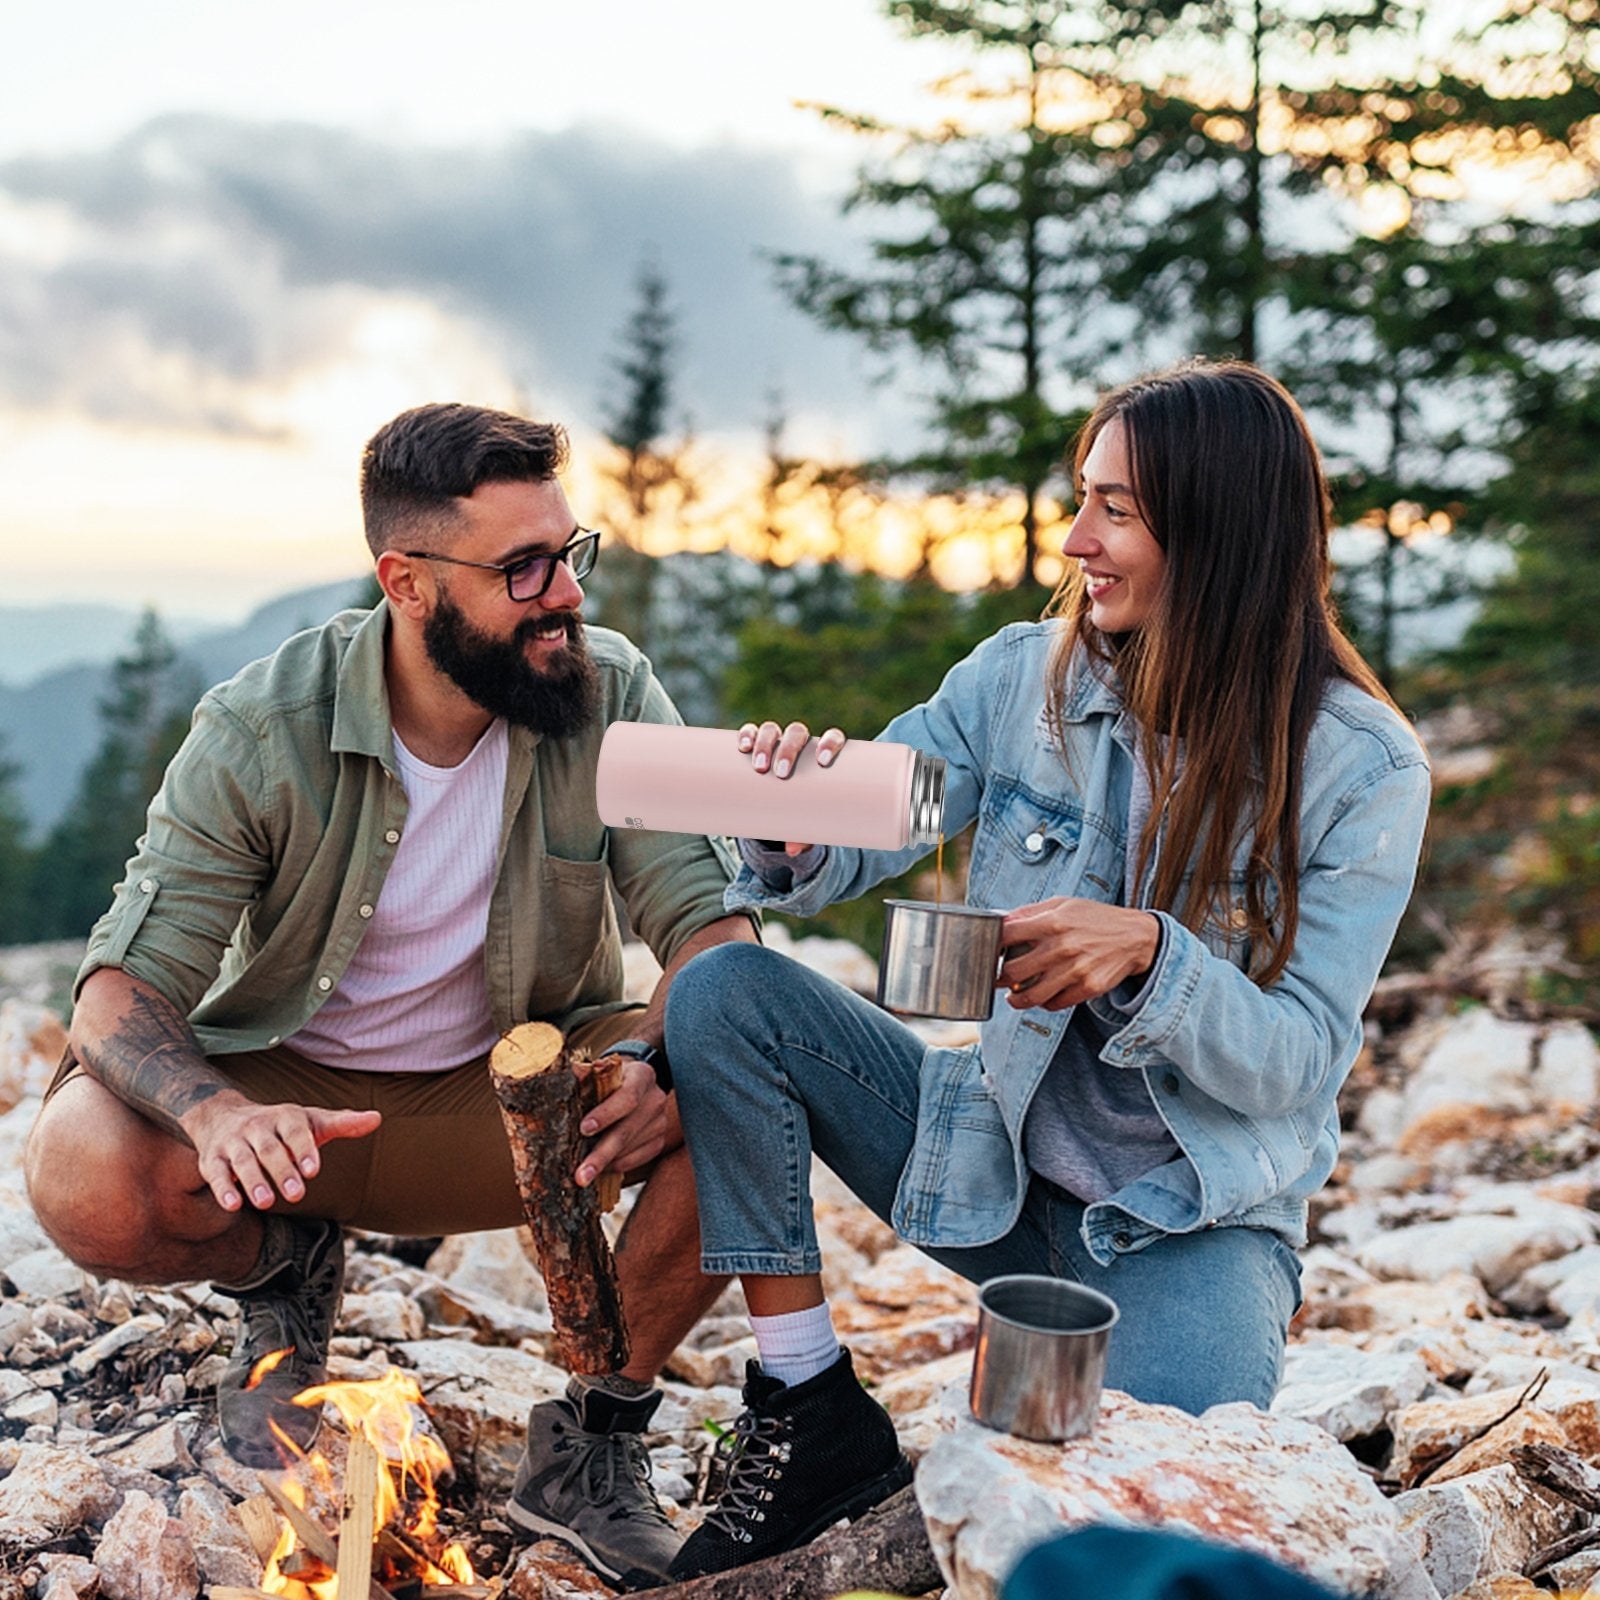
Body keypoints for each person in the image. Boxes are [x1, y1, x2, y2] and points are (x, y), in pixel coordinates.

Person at [661, 360, 1431, 1580]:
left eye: (1115, 509)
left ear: (1216, 528)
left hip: (1191, 1229)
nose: (1075, 539)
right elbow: (880, 810)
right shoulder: (1022, 678)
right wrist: (793, 819)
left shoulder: (1362, 769)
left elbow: (1297, 1061)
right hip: (992, 1169)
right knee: (727, 994)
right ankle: (807, 1402)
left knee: (1136, 1536)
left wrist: (1152, 955)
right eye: (1084, 499)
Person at [24, 402, 757, 1591]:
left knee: (750, 1059)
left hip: (520, 1106)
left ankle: (594, 1441)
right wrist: (215, 1115)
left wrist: (669, 1067)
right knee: (80, 1169)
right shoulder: (266, 723)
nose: (563, 592)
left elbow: (710, 927)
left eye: (570, 554)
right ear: (407, 583)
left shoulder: (608, 688)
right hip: (292, 1111)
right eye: (522, 569)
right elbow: (115, 990)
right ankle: (280, 1272)